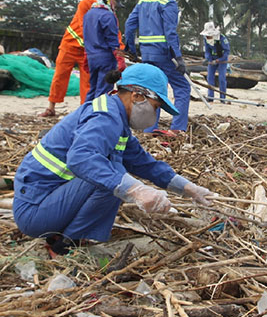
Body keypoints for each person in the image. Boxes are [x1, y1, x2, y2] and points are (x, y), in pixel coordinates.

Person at [12, 63, 212, 257]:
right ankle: (64, 246)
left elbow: (143, 162)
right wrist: (135, 190)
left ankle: (67, 234)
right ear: (138, 96)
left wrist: (187, 188)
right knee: (114, 174)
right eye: (156, 106)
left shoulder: (115, 116)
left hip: (48, 204)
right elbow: (81, 159)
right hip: (35, 212)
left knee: (116, 173)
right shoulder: (105, 116)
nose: (156, 115)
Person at [125, 0, 190, 134]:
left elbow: (129, 26)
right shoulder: (169, 3)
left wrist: (131, 50)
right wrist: (178, 58)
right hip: (164, 55)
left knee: (153, 89)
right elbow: (170, 33)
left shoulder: (143, 1)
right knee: (182, 87)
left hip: (146, 54)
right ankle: (177, 129)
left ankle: (149, 128)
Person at [41, 0, 95, 117]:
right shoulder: (86, 4)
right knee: (60, 76)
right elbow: (84, 26)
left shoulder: (109, 12)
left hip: (85, 52)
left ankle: (84, 110)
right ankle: (51, 107)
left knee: (87, 81)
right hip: (69, 46)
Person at [83, 0, 126, 101]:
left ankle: (85, 115)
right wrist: (121, 60)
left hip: (92, 58)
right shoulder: (108, 16)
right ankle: (98, 117)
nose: (115, 4)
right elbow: (113, 41)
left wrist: (86, 57)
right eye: (114, 0)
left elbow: (86, 39)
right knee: (103, 92)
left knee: (92, 89)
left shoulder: (88, 14)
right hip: (105, 58)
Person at [200, 22, 230, 103]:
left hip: (222, 59)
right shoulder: (205, 39)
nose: (208, 37)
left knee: (222, 78)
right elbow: (207, 51)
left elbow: (227, 51)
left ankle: (222, 98)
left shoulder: (222, 39)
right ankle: (210, 97)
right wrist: (209, 59)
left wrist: (219, 60)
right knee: (210, 78)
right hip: (212, 60)